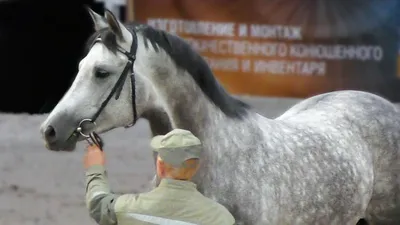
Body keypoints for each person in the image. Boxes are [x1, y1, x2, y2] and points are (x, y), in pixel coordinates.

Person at [84, 128, 235, 225]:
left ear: (161, 167)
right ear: (196, 167)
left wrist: (95, 167)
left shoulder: (127, 208)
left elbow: (97, 204)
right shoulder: (222, 218)